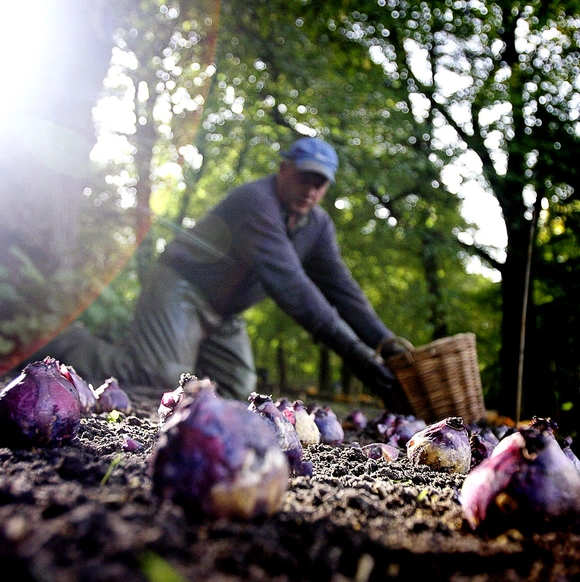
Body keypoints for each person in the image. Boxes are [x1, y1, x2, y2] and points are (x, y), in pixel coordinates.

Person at [32, 137, 412, 412]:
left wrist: (384, 344)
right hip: (182, 287)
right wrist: (364, 364)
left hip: (224, 312)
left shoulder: (317, 226)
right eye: (303, 178)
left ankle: (161, 348)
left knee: (239, 390)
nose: (310, 191)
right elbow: (293, 288)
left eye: (320, 183)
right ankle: (67, 342)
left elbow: (342, 290)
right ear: (283, 170)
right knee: (157, 373)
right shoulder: (256, 203)